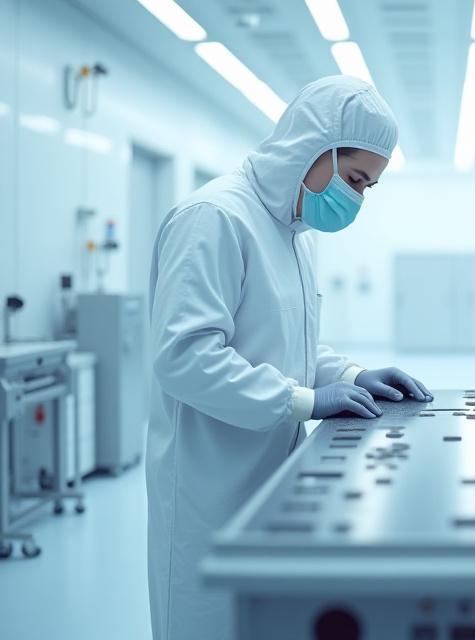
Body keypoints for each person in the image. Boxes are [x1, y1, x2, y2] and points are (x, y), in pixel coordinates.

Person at [146, 76, 432, 640]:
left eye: (368, 187)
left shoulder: (289, 230)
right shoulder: (216, 216)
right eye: (354, 178)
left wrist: (350, 375)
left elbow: (287, 345)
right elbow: (184, 356)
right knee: (206, 623)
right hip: (208, 487)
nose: (357, 197)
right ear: (313, 147)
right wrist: (303, 400)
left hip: (265, 474)